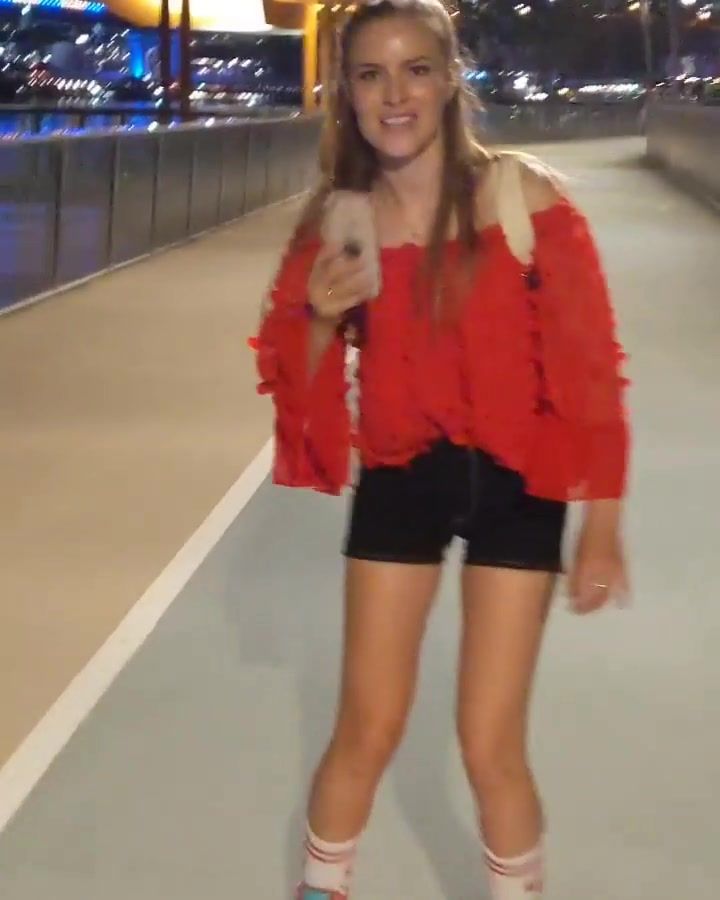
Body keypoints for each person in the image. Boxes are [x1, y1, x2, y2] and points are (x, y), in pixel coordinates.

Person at [251, 1, 630, 898]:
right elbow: (294, 382)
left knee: (490, 745)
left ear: (450, 78)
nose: (395, 95)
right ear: (346, 92)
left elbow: (590, 372)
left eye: (415, 69)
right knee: (366, 727)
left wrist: (602, 528)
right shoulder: (336, 219)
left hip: (518, 483)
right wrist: (321, 316)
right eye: (371, 74)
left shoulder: (525, 199)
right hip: (401, 476)